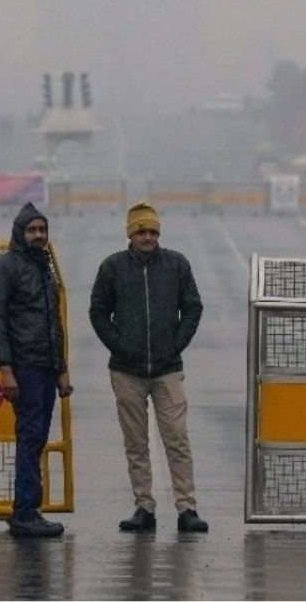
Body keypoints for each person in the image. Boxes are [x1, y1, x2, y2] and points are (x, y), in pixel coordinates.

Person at [89, 200, 208, 533]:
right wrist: (121, 346)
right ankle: (144, 506)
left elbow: (193, 307)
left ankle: (187, 508)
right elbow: (98, 312)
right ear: (131, 234)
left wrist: (175, 344)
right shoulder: (112, 268)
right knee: (136, 443)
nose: (148, 237)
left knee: (177, 439)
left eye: (153, 231)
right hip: (126, 371)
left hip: (168, 369)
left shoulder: (177, 265)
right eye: (142, 231)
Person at [0, 202, 73, 537]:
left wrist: (61, 370)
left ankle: (28, 509)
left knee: (35, 438)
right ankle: (25, 511)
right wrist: (5, 368)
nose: (38, 235)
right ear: (19, 233)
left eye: (42, 230)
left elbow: (55, 324)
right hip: (24, 367)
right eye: (32, 230)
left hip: (46, 366)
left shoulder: (44, 267)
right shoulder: (6, 268)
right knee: (30, 437)